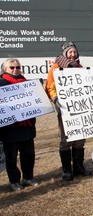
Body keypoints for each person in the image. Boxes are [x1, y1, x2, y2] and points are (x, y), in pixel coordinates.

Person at [46, 41, 92, 181]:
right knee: (66, 140)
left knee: (79, 139)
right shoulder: (56, 67)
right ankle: (67, 170)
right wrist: (55, 99)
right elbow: (49, 87)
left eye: (74, 52)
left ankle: (79, 167)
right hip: (64, 109)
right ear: (65, 53)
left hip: (80, 109)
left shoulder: (81, 68)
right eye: (70, 52)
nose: (72, 54)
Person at [0, 58, 38, 191]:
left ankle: (28, 178)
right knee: (11, 157)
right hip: (9, 129)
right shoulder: (1, 83)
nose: (15, 69)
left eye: (18, 67)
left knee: (29, 155)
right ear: (5, 69)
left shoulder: (27, 83)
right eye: (12, 67)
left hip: (27, 127)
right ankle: (14, 181)